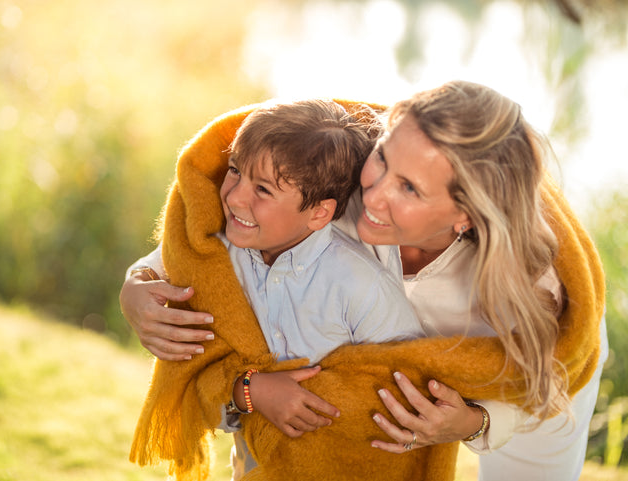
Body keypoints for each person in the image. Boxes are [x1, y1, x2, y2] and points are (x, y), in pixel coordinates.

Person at [123, 82, 606, 481]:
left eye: (409, 189)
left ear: (466, 214)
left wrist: (475, 421)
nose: (372, 195)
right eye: (384, 159)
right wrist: (140, 280)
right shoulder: (341, 185)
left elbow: (551, 383)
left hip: (535, 380)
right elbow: (217, 241)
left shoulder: (535, 288)